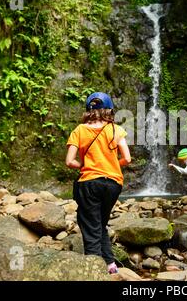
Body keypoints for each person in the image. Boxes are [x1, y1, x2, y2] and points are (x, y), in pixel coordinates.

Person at [65, 92, 131, 274]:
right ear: (109, 109)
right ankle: (110, 265)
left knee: (90, 225)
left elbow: (70, 161)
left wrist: (86, 165)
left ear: (88, 110)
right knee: (99, 223)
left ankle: (93, 271)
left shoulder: (80, 130)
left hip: (90, 183)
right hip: (113, 184)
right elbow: (127, 158)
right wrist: (110, 165)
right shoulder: (116, 130)